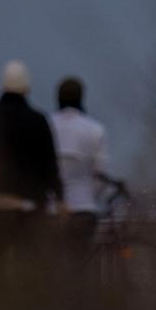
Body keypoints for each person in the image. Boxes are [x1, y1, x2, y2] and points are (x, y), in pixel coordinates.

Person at [0, 60, 62, 277]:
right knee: (33, 268)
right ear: (27, 88)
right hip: (25, 207)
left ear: (3, 85)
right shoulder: (37, 120)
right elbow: (49, 165)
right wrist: (58, 197)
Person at [48, 76, 109, 258]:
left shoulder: (47, 125)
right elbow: (100, 173)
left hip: (53, 209)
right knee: (79, 266)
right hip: (84, 207)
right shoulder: (95, 129)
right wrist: (93, 196)